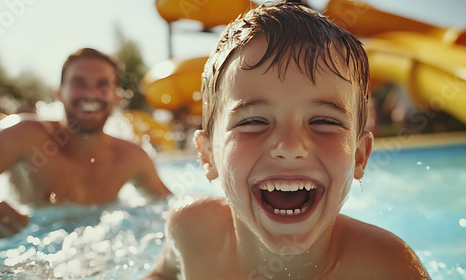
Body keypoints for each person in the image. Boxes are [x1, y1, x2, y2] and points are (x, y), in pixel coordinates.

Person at [144, 2, 430, 279]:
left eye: (323, 122)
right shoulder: (191, 228)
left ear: (359, 157)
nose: (291, 147)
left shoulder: (390, 269)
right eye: (254, 122)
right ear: (208, 155)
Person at [0, 48, 172, 239]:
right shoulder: (24, 136)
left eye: (102, 85)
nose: (90, 94)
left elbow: (170, 209)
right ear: (59, 94)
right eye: (79, 83)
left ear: (117, 97)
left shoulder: (131, 157)